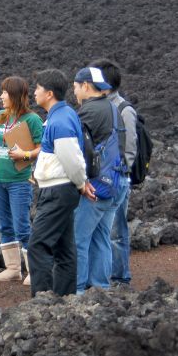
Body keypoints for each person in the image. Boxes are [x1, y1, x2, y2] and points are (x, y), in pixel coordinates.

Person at [28, 69, 94, 296]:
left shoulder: (60, 119)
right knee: (64, 249)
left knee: (38, 245)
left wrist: (81, 183)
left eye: (37, 88)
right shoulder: (61, 115)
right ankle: (64, 300)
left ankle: (42, 300)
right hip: (59, 189)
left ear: (49, 93)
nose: (34, 92)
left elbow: (72, 158)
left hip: (57, 190)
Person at [72, 66, 129, 295]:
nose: (74, 92)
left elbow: (78, 149)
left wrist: (80, 181)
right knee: (101, 237)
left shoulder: (88, 112)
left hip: (96, 186)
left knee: (78, 238)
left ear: (86, 86)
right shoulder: (113, 108)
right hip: (117, 181)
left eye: (76, 87)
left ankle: (77, 290)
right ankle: (101, 289)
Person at [0, 76, 44, 285]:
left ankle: (34, 270)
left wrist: (24, 155)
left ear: (16, 96)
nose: (1, 96)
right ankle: (12, 268)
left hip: (19, 181)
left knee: (22, 226)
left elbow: (42, 148)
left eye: (5, 93)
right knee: (4, 225)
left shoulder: (32, 120)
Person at [89, 59, 137, 288]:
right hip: (100, 180)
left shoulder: (123, 110)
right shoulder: (98, 108)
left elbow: (130, 147)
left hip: (115, 180)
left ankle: (120, 277)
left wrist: (119, 175)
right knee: (103, 231)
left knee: (116, 231)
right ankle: (103, 276)